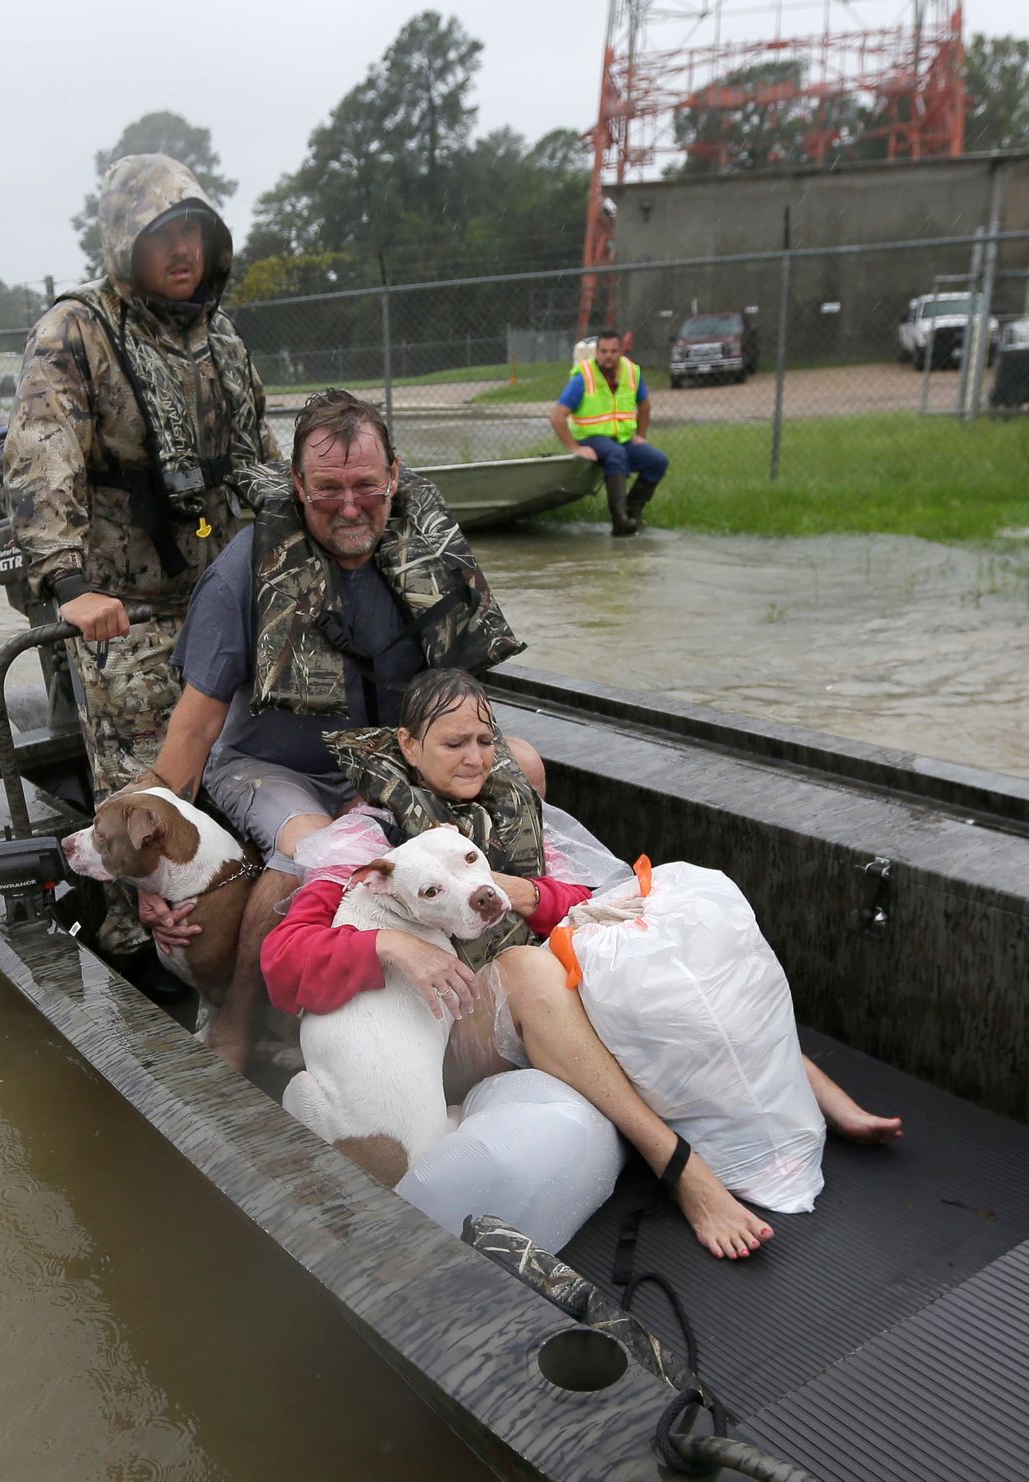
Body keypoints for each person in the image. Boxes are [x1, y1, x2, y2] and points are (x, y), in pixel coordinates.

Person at [261, 667, 903, 1261]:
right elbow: (283, 960)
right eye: (455, 743)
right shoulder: (369, 841)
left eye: (486, 740)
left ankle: (810, 1089)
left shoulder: (508, 812)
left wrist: (524, 891)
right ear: (407, 744)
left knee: (667, 924)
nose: (476, 758)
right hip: (445, 1024)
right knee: (530, 966)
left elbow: (578, 898)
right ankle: (680, 1168)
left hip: (524, 981)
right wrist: (392, 945)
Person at [139, 390, 531, 1073]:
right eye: (328, 490)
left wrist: (413, 778)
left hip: (386, 755)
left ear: (395, 477)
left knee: (520, 761)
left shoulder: (431, 551)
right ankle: (236, 1021)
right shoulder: (243, 572)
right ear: (296, 484)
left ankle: (509, 969)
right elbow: (193, 732)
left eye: (365, 487)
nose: (350, 506)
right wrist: (142, 870)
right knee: (314, 850)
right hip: (269, 764)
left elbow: (465, 702)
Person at [4, 154, 280, 954]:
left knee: (240, 777)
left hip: (222, 597)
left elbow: (259, 456)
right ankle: (138, 954)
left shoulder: (222, 342)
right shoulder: (76, 330)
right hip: (126, 609)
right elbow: (41, 455)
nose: (186, 249)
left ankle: (238, 929)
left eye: (197, 231)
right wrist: (67, 582)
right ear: (128, 240)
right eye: (167, 233)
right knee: (140, 804)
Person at [549, 329, 669, 537]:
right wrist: (575, 447)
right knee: (616, 454)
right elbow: (557, 416)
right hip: (591, 437)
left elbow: (645, 406)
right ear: (597, 352)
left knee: (658, 461)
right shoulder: (582, 378)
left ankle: (633, 512)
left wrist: (641, 435)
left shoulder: (632, 373)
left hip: (622, 438)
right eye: (604, 351)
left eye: (613, 351)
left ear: (621, 351)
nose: (608, 356)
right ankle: (619, 521)